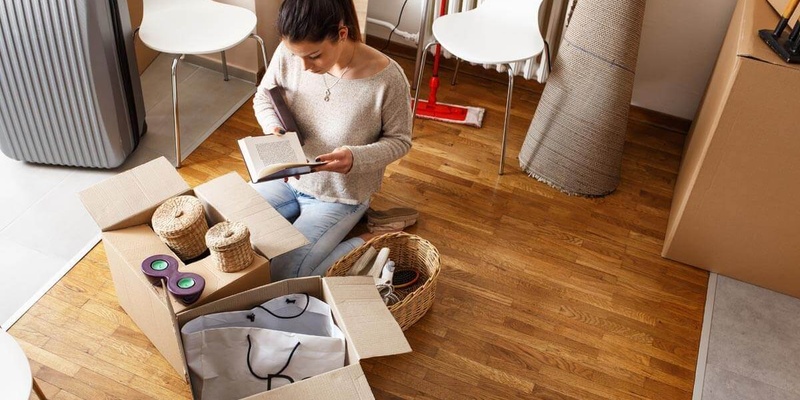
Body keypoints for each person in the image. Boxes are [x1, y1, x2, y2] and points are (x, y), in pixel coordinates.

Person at [251, 0, 414, 281]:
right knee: (231, 229)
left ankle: (368, 239)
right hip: (285, 178)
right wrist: (272, 126)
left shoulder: (388, 79)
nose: (303, 66)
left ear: (341, 33)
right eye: (297, 55)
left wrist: (354, 158)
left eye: (314, 56)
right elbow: (264, 97)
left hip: (339, 196)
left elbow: (400, 141)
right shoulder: (292, 53)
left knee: (286, 274)